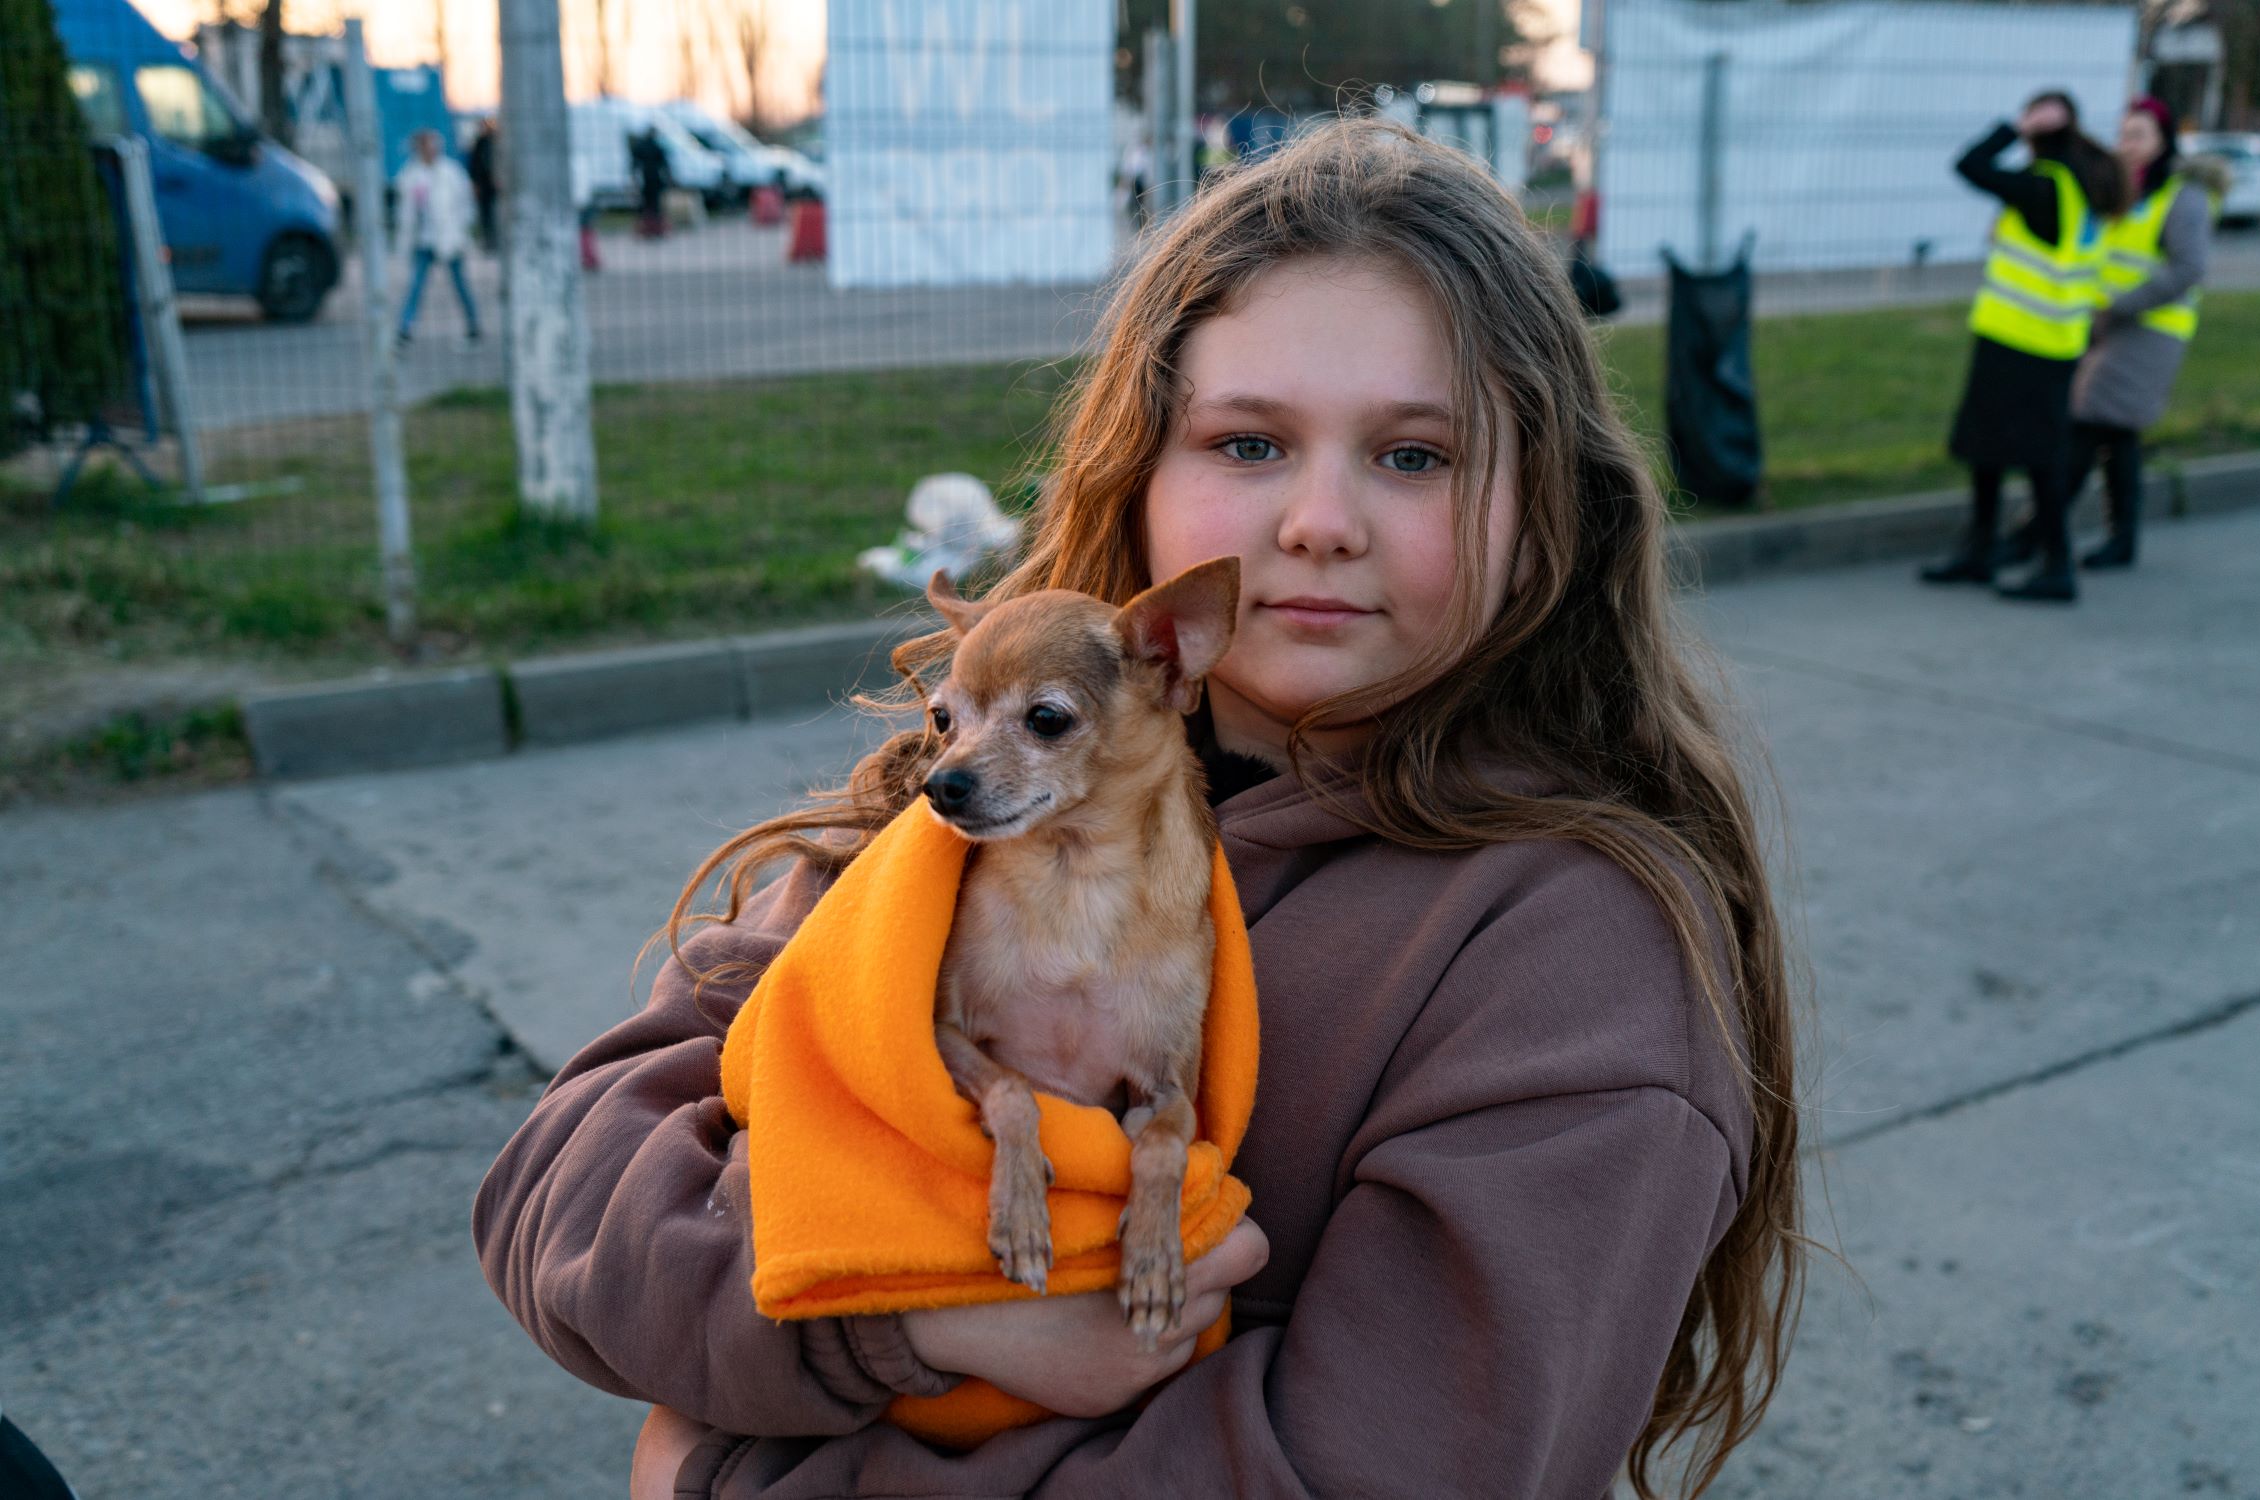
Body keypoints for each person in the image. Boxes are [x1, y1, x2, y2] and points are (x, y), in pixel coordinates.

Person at [474, 119, 1805, 1500]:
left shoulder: (1570, 963)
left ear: (1545, 519)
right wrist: (913, 1321)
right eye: (1248, 442)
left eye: (1416, 457)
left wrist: (723, 1474)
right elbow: (558, 1192)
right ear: (1137, 477)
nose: (1318, 521)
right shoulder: (961, 809)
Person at [1922, 92, 2128, 603]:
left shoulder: (2044, 186)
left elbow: (1969, 165)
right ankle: (1982, 551)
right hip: (2054, 343)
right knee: (1996, 450)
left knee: (2033, 459)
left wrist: (2013, 127)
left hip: (2020, 340)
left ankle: (2055, 566)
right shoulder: (2079, 189)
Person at [2003, 97, 2216, 572]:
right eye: (2123, 135)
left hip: (2151, 330)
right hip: (2104, 326)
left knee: (2085, 424)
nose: (2128, 145)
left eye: (2139, 135)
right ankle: (2119, 540)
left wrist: (2117, 305)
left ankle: (2036, 535)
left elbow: (2188, 268)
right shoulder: (2122, 189)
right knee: (2115, 434)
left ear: (2164, 141)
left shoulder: (2181, 197)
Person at [392, 129, 480, 349]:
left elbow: (464, 203)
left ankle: (473, 326)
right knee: (416, 285)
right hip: (425, 240)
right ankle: (405, 328)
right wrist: (405, 241)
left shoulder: (451, 172)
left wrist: (462, 231)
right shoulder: (411, 175)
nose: (430, 150)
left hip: (450, 238)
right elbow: (406, 212)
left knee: (460, 284)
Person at [631, 127, 671, 240]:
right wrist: (668, 178)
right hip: (655, 179)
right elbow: (665, 164)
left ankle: (647, 230)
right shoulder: (657, 146)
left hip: (644, 179)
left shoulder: (640, 146)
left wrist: (634, 179)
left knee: (645, 206)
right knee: (656, 206)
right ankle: (656, 230)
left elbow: (634, 164)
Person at [467, 116, 499, 254]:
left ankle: (495, 241)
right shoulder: (480, 142)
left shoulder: (497, 141)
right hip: (484, 185)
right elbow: (475, 165)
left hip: (495, 186)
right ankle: (488, 242)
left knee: (496, 213)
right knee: (485, 214)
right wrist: (475, 183)